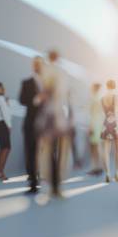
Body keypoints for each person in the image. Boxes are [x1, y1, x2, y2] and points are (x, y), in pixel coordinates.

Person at [36, 50, 71, 197]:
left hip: (48, 115)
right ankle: (57, 186)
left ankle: (49, 184)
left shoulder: (46, 70)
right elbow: (62, 93)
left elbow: (44, 91)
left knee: (47, 151)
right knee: (59, 151)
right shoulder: (61, 72)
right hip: (58, 115)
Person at [19, 56, 44, 194]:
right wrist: (36, 99)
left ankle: (47, 179)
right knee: (30, 152)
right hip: (31, 123)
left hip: (46, 124)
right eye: (35, 64)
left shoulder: (48, 84)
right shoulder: (26, 83)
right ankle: (33, 182)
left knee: (45, 152)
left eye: (39, 64)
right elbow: (22, 99)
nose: (37, 66)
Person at [100, 79, 118, 183]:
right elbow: (116, 112)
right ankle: (117, 173)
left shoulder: (102, 98)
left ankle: (107, 174)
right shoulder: (116, 97)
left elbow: (104, 113)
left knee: (106, 150)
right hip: (115, 124)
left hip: (106, 124)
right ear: (114, 86)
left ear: (107, 86)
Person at [87, 83, 104, 176]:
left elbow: (92, 114)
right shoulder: (99, 98)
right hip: (99, 124)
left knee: (94, 147)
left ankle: (96, 167)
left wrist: (90, 126)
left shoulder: (94, 98)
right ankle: (99, 166)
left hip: (94, 124)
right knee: (98, 146)